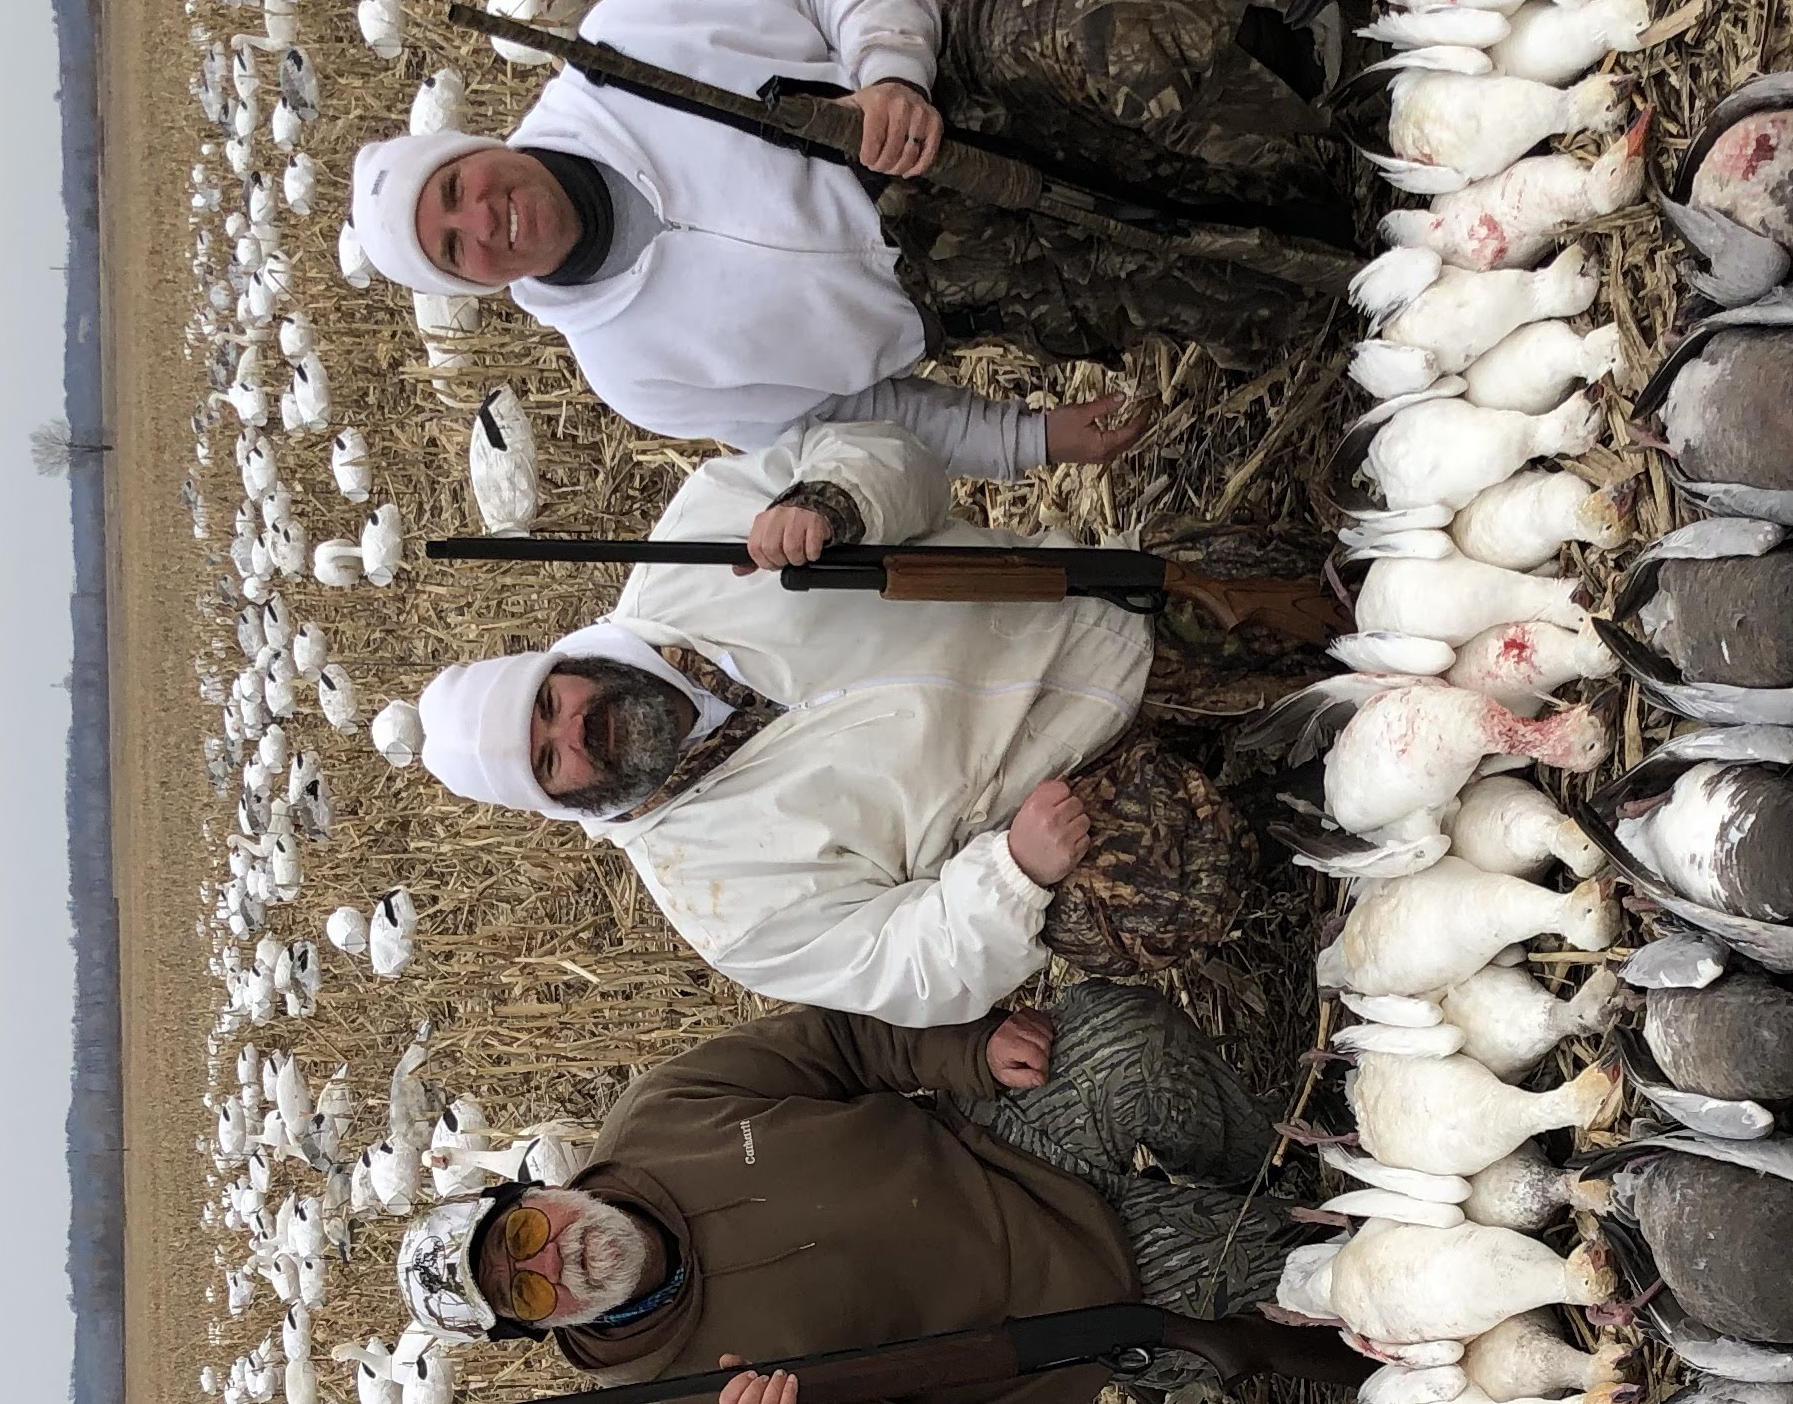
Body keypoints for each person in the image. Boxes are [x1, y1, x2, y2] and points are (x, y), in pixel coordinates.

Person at [344, 0, 1357, 470]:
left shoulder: (622, 51)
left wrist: (888, 75)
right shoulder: (632, 371)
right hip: (977, 284)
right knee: (1301, 301)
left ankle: (1349, 60)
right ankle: (1346, 200)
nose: (484, 219)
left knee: (1085, 1)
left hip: (961, 96)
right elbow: (848, 419)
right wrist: (1027, 439)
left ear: (468, 148)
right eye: (454, 248)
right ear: (475, 285)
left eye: (456, 189)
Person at [409, 418, 1271, 1023]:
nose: (575, 731)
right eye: (550, 761)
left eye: (550, 706)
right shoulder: (719, 902)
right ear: (560, 801)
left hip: (1093, 610)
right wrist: (1011, 875)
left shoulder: (694, 549)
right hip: (1070, 797)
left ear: (558, 667)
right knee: (1173, 892)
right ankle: (1268, 800)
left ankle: (1251, 731)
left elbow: (896, 459)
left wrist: (835, 501)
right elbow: (902, 967)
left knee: (1314, 592)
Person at [392, 986, 1331, 1404]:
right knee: (1281, 1262)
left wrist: (966, 1049)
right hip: (1082, 1290)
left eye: (520, 1235)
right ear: (536, 1330)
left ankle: (1285, 1163)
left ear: (528, 1196)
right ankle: (1220, 1305)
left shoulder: (661, 1117)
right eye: (526, 1291)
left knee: (1127, 1038)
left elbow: (832, 1043)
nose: (557, 1259)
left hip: (998, 1138)